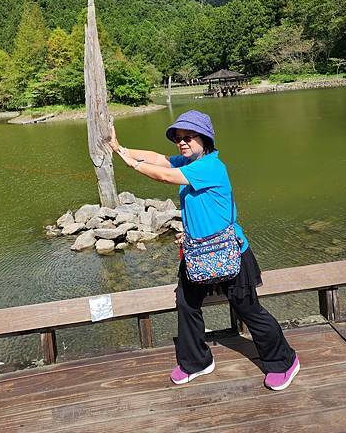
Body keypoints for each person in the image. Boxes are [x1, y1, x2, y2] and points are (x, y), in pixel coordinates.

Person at [109, 109, 300, 391]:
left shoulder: (210, 166)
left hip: (229, 251)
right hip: (198, 253)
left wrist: (129, 163)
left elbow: (163, 176)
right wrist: (118, 147)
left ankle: (284, 361)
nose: (182, 142)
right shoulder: (188, 162)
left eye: (188, 137)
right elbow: (158, 159)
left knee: (248, 308)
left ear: (205, 138)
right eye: (178, 138)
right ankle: (196, 361)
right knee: (186, 305)